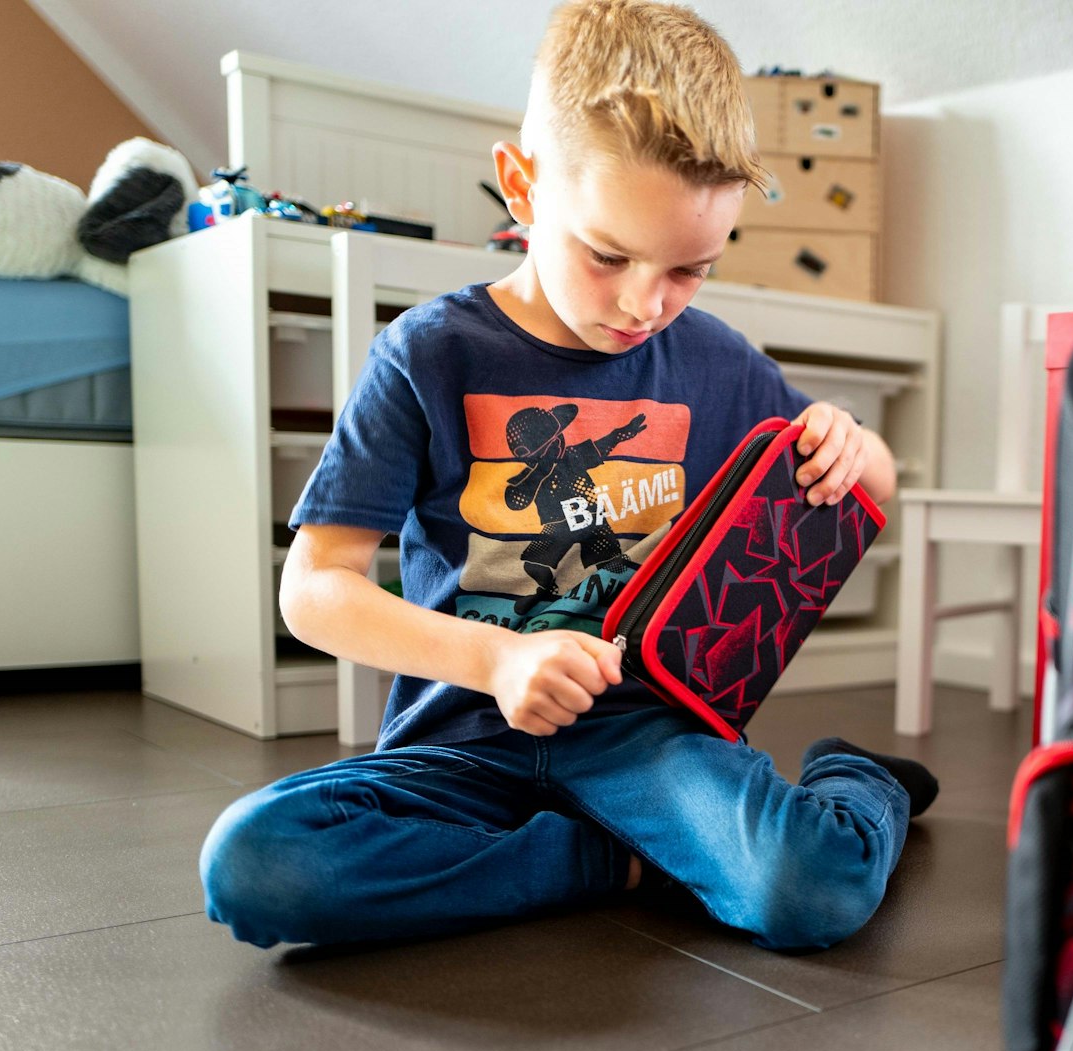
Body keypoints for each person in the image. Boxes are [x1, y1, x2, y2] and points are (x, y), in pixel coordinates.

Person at [199, 0, 936, 952]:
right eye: (608, 254)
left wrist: (852, 443)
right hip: (463, 740)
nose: (645, 303)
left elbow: (871, 477)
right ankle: (619, 861)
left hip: (648, 738)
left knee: (813, 887)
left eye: (691, 270)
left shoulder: (715, 360)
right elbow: (313, 590)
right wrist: (498, 659)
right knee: (257, 860)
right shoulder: (426, 355)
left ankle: (855, 778)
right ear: (523, 185)